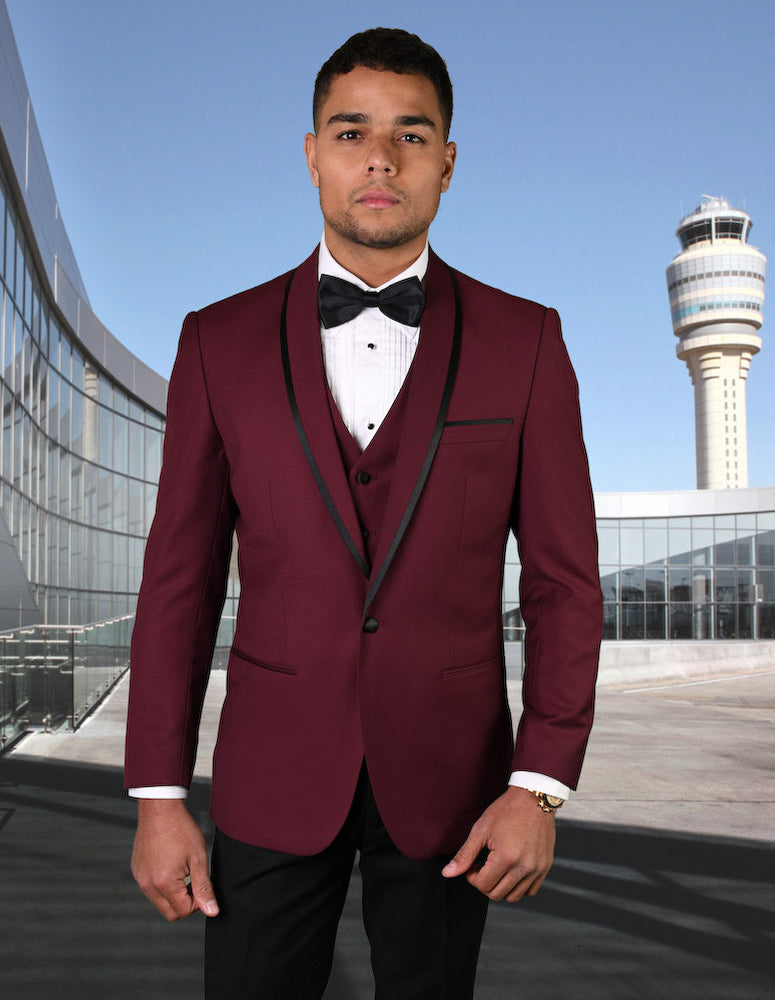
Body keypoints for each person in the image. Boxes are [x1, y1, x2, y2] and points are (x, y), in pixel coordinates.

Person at [125, 26, 602, 1000]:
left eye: (411, 135)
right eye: (351, 133)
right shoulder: (217, 342)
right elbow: (179, 580)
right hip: (270, 771)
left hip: (456, 785)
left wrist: (538, 782)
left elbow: (562, 582)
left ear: (448, 163)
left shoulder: (527, 342)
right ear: (311, 155)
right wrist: (158, 793)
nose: (380, 158)